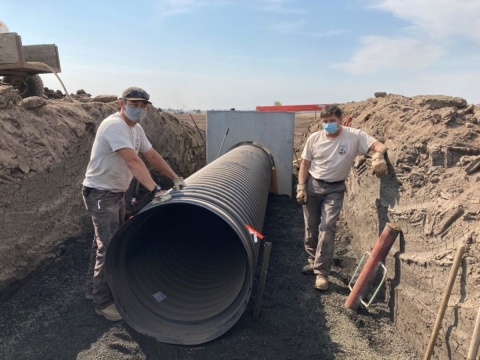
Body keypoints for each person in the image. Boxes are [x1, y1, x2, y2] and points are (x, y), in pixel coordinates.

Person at [82, 86, 186, 321]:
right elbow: (132, 160)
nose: (138, 109)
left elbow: (151, 156)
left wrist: (175, 177)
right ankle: (103, 303)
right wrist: (156, 190)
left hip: (115, 192)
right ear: (122, 104)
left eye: (142, 106)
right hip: (100, 193)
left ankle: (92, 289)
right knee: (109, 248)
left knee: (102, 243)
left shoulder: (136, 129)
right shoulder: (115, 126)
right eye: (134, 104)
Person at [296, 104, 388, 291]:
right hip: (313, 185)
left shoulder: (353, 136)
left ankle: (322, 273)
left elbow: (378, 145)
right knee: (311, 225)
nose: (328, 124)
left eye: (332, 121)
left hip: (335, 188)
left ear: (340, 120)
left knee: (327, 227)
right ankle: (313, 260)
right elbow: (305, 164)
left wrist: (378, 156)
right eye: (325, 122)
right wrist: (300, 186)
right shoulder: (315, 138)